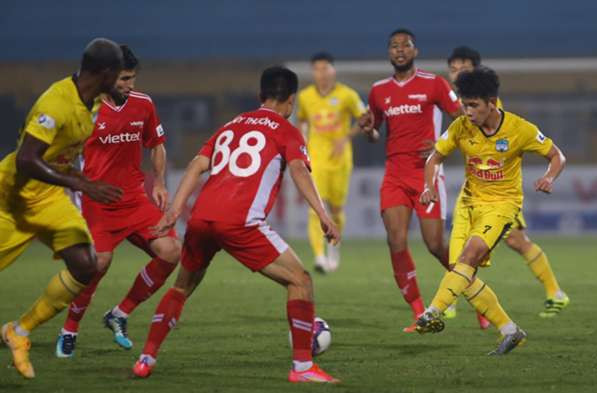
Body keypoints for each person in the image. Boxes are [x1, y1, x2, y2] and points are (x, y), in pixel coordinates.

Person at [131, 66, 340, 383]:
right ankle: (303, 368)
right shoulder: (287, 130)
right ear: (292, 100)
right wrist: (323, 214)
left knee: (181, 287)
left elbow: (196, 165)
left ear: (261, 96)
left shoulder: (232, 125)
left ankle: (146, 358)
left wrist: (174, 211)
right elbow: (299, 171)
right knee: (301, 281)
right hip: (241, 222)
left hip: (201, 217)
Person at [416, 67, 566, 355]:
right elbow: (434, 157)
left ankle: (431, 312)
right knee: (460, 269)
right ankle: (510, 330)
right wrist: (428, 186)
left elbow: (557, 155)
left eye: (474, 105)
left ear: (492, 102)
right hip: (469, 204)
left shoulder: (520, 129)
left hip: (501, 206)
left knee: (468, 257)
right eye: (465, 104)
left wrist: (549, 176)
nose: (468, 111)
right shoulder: (461, 126)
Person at [0, 38, 123, 378]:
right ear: (105, 73)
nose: (122, 79)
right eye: (118, 74)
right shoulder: (55, 103)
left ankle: (19, 331)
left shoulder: (93, 99)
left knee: (86, 265)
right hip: (14, 198)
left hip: (50, 198)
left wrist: (116, 95)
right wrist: (83, 184)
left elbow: (64, 152)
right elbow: (26, 160)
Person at [55, 45, 182, 358]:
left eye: (133, 78)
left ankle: (120, 313)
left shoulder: (143, 104)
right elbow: (63, 155)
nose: (131, 85)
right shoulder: (85, 109)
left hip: (135, 199)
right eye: (125, 79)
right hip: (98, 201)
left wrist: (161, 182)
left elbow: (157, 144)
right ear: (108, 76)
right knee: (98, 263)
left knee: (171, 251)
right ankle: (69, 328)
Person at [444, 47, 569, 324]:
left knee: (513, 241)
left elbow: (496, 145)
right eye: (452, 69)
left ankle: (553, 292)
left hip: (497, 193)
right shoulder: (462, 102)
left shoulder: (488, 105)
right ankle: (453, 298)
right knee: (483, 245)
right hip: (478, 188)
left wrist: (548, 176)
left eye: (462, 68)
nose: (456, 73)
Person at [359, 29, 462, 332]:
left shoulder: (434, 84)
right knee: (396, 240)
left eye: (405, 45)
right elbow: (376, 131)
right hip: (394, 175)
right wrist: (369, 131)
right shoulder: (379, 90)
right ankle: (419, 312)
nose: (399, 50)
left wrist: (442, 143)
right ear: (389, 53)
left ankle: (474, 292)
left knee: (434, 244)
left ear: (415, 51)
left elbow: (463, 119)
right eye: (394, 46)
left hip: (427, 173)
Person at [296, 51, 366, 273]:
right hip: (315, 159)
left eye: (325, 68)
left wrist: (345, 138)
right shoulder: (305, 96)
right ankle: (319, 256)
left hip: (340, 160)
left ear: (333, 70)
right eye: (317, 69)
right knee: (315, 209)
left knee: (336, 210)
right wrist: (302, 144)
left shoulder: (347, 95)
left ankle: (334, 248)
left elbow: (364, 118)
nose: (321, 73)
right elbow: (302, 122)